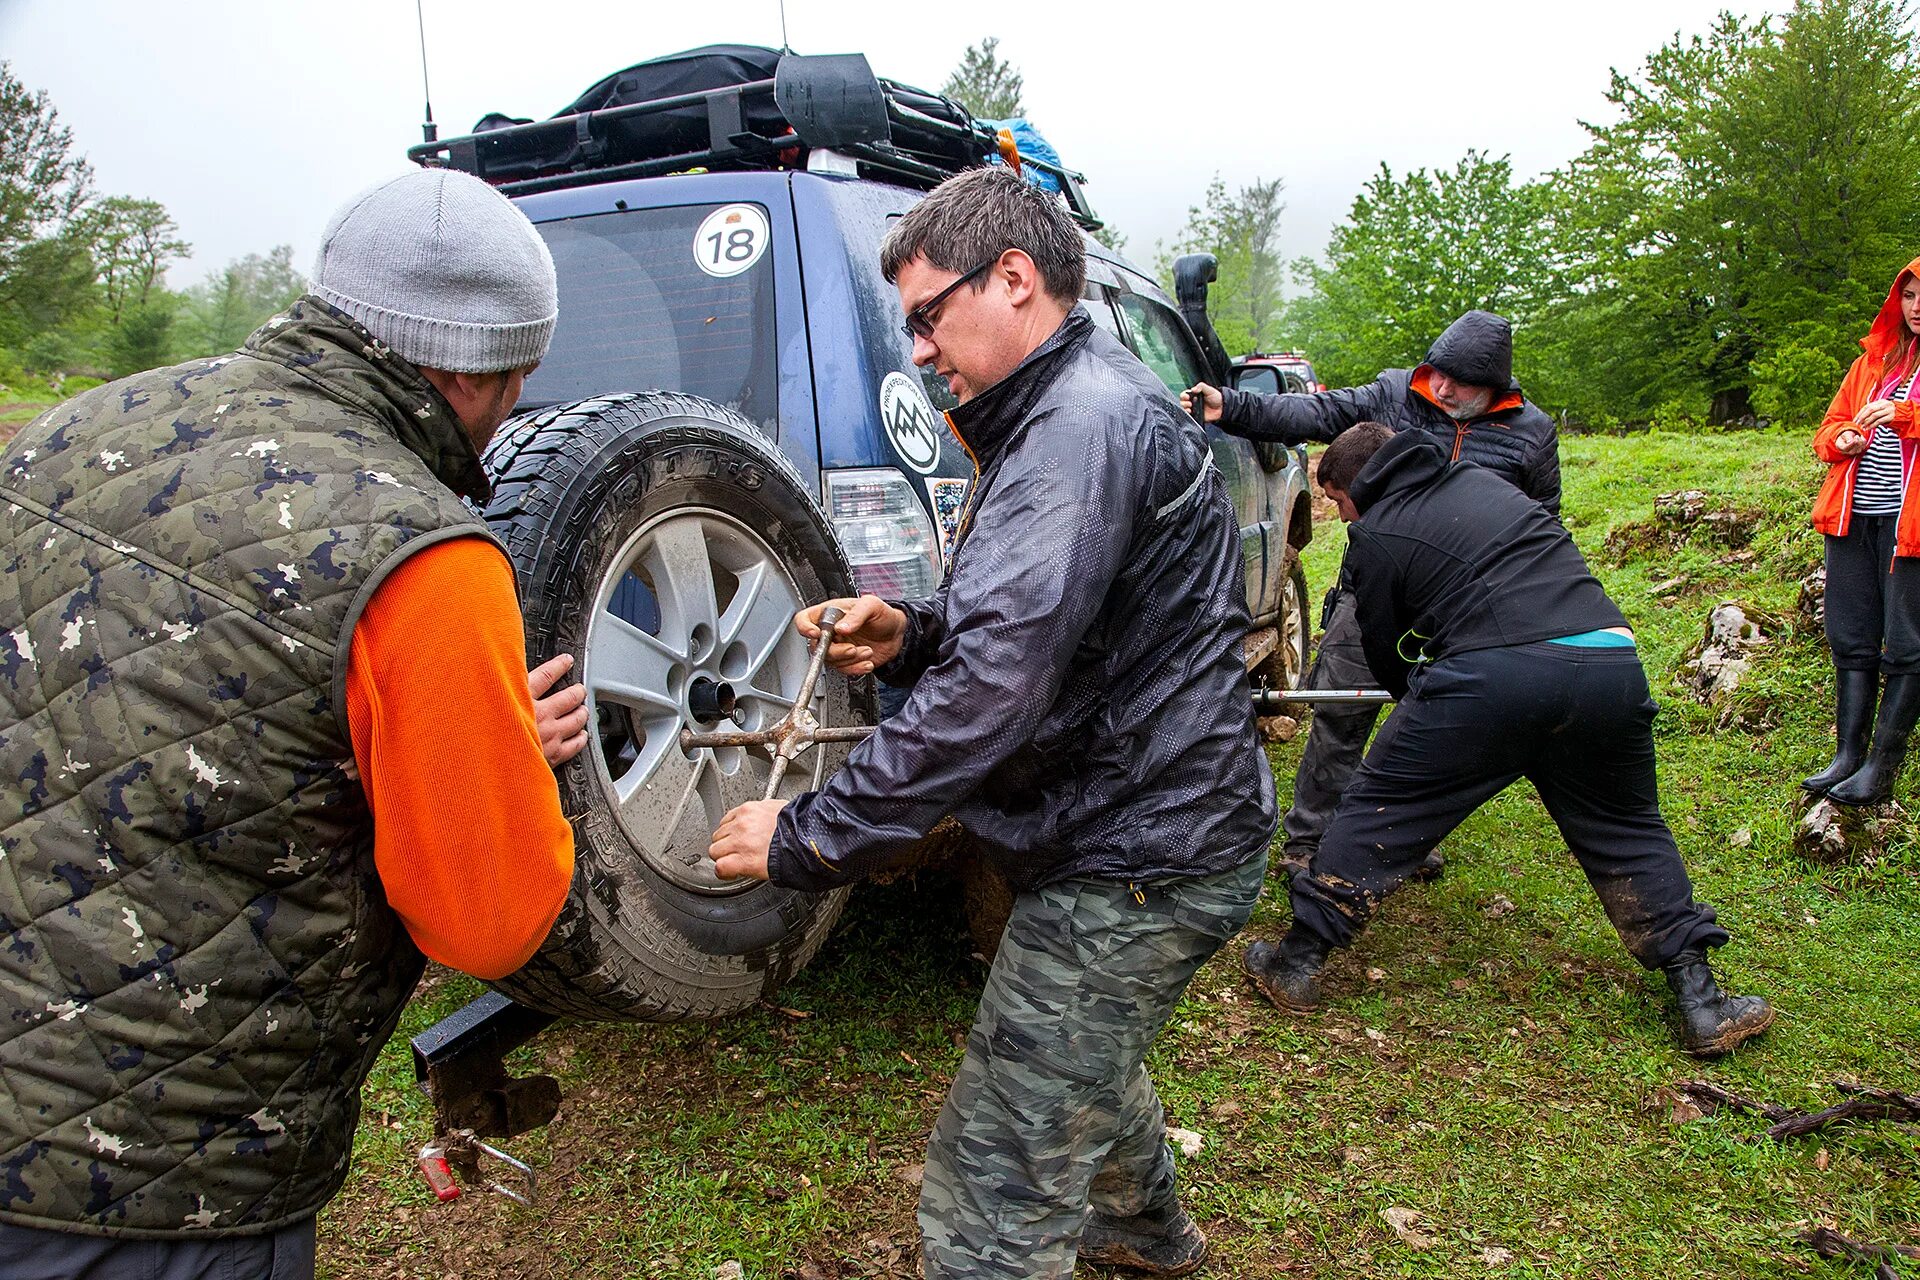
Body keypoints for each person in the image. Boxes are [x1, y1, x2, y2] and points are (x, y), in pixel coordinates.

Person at [0, 168, 588, 1278]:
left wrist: (440, 729)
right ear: (477, 373)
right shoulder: (428, 559)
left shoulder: (73, 430)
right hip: (164, 1180)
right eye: (522, 375)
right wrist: (497, 752)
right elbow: (490, 921)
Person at [705, 167, 1276, 1280]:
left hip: (1142, 852)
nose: (918, 348)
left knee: (992, 1191)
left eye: (927, 315)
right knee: (1077, 1054)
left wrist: (809, 833)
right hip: (1133, 823)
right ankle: (1143, 1235)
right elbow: (1058, 628)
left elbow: (991, 694)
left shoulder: (1078, 428)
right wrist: (912, 631)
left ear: (1013, 278)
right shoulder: (1065, 407)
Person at [1240, 423, 1774, 1059]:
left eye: (1335, 500)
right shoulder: (1484, 484)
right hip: (1608, 664)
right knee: (1626, 828)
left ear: (1355, 488)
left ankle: (1296, 961)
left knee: (1382, 807)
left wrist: (1423, 699)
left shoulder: (1378, 533)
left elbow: (1384, 647)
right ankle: (1702, 999)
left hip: (1492, 679)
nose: (1337, 513)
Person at [1183, 312, 1559, 876]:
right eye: (1438, 374)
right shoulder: (1398, 392)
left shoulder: (1530, 435)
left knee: (1437, 729)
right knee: (1338, 711)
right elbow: (1318, 412)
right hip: (1375, 588)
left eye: (1460, 383)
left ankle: (1399, 841)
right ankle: (1309, 842)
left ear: (1497, 391)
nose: (1443, 389)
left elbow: (1543, 522)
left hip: (1463, 610)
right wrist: (1232, 408)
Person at [1805, 254, 1920, 806]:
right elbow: (1827, 429)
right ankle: (1848, 756)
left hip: (1911, 528)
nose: (1918, 307)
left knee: (1906, 647)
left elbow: (1907, 421)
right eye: (1910, 295)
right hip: (1854, 518)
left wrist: (1903, 416)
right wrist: (1844, 439)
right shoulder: (1872, 363)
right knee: (1851, 638)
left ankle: (1881, 767)